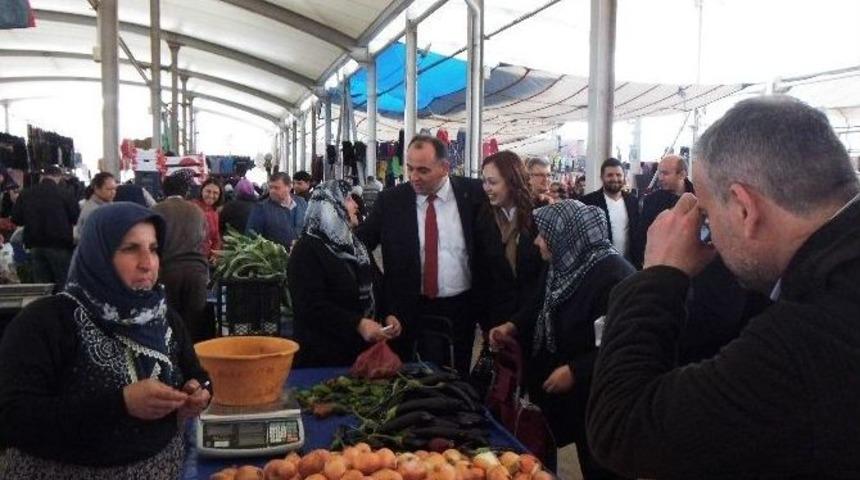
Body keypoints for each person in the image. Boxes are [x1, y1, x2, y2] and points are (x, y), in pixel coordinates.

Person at [586, 96, 860, 478]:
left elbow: (623, 429)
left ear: (744, 209)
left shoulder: (810, 334)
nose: (708, 231)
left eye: (709, 214)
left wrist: (658, 275)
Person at [0, 202, 211, 479]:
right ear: (98, 253)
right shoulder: (47, 322)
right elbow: (13, 418)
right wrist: (121, 404)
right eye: (130, 249)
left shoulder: (163, 318)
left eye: (153, 249)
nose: (147, 264)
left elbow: (196, 373)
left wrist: (200, 390)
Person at [490, 200, 634, 480]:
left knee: (601, 462)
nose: (537, 242)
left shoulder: (613, 278)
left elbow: (619, 345)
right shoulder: (567, 260)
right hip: (568, 395)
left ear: (567, 235)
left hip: (599, 395)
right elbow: (539, 302)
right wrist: (512, 325)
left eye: (544, 235)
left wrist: (575, 371)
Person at [357, 135, 514, 375]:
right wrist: (381, 290)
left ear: (444, 168)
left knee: (453, 379)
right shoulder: (391, 201)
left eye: (423, 170)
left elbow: (492, 253)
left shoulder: (472, 194)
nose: (414, 177)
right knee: (406, 380)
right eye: (410, 168)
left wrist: (496, 315)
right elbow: (359, 246)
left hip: (460, 309)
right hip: (405, 310)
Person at [288, 180, 402, 367]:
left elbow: (377, 283)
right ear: (330, 207)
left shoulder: (356, 245)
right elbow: (310, 305)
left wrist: (389, 313)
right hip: (322, 359)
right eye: (348, 199)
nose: (356, 204)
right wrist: (357, 323)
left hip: (359, 354)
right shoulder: (307, 250)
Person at [481, 151, 543, 319]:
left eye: (492, 182)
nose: (487, 188)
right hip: (496, 316)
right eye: (484, 182)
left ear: (512, 181)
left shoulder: (539, 216)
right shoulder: (483, 219)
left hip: (532, 315)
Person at [152, 174, 210, 343]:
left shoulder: (156, 210)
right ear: (185, 191)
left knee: (170, 322)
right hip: (196, 272)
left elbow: (152, 243)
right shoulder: (197, 211)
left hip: (168, 271)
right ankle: (192, 360)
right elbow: (203, 239)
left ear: (164, 191)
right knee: (193, 323)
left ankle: (174, 362)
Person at [11, 165, 80, 286]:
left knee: (42, 286)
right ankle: (61, 305)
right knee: (63, 284)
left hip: (34, 245)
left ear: (42, 177)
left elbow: (16, 219)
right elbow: (75, 218)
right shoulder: (65, 194)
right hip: (60, 244)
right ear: (59, 177)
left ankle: (44, 304)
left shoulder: (26, 194)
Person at [631, 154, 693, 267]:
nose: (660, 177)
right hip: (660, 267)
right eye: (659, 173)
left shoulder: (701, 198)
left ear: (682, 174)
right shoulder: (651, 201)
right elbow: (641, 236)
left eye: (665, 173)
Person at [581, 158, 640, 265]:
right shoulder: (588, 202)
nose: (615, 178)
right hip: (600, 266)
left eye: (618, 175)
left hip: (629, 265)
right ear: (602, 177)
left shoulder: (633, 202)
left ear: (624, 177)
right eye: (610, 175)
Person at [247, 172, 308, 250]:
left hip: (301, 258)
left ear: (289, 187)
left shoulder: (302, 203)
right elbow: (251, 238)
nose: (272, 191)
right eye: (270, 187)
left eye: (276, 188)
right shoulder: (261, 208)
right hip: (275, 259)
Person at [75, 172, 117, 243]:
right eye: (109, 189)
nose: (113, 192)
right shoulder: (93, 211)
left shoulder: (107, 205)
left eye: (115, 189)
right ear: (97, 189)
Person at [194, 178, 223, 262]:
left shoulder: (214, 212)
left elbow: (216, 238)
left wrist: (215, 254)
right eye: (208, 191)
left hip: (206, 259)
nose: (211, 195)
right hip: (193, 260)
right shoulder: (191, 207)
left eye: (215, 193)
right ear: (202, 191)